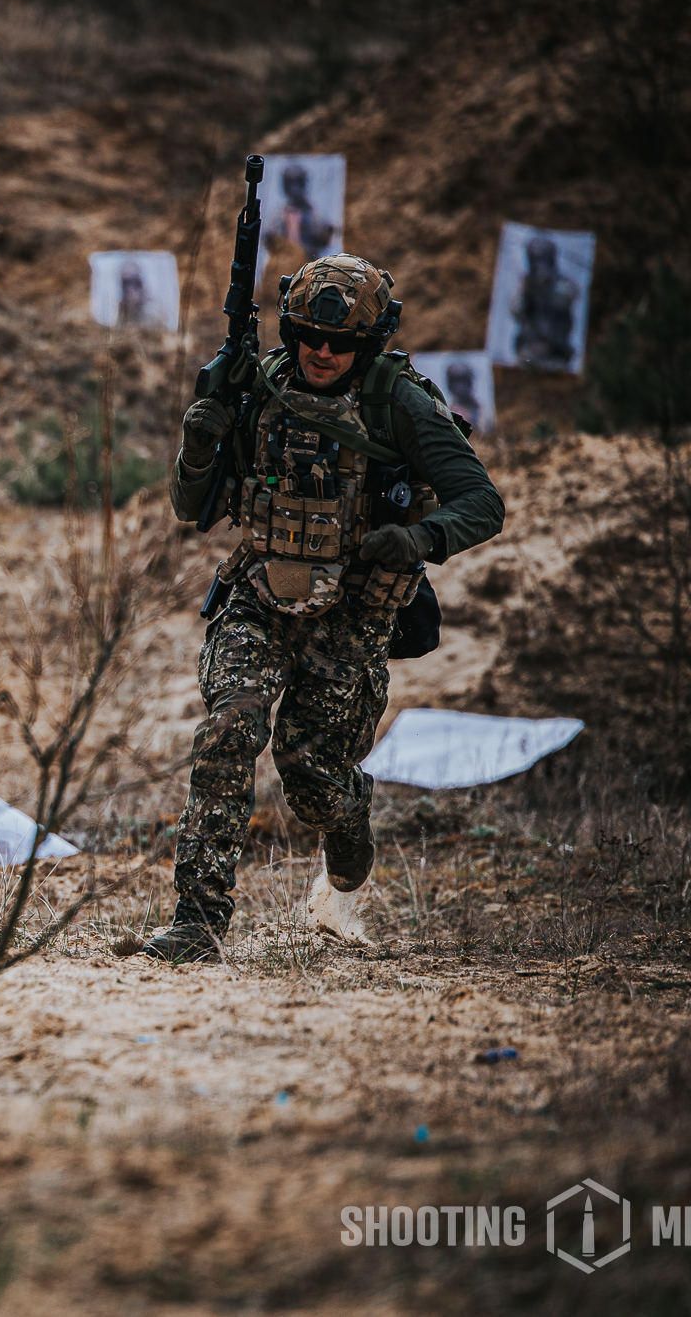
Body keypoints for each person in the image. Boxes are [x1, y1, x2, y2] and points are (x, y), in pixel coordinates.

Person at [150, 254, 503, 962]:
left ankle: (350, 819)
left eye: (340, 343)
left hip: (350, 611)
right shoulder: (263, 384)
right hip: (259, 593)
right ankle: (198, 916)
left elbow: (482, 503)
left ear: (365, 347)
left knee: (311, 779)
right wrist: (200, 441)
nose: (321, 351)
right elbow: (194, 508)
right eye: (309, 334)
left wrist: (419, 537)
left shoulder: (398, 402)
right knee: (230, 723)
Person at [510, 234, 580, 371]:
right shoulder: (525, 284)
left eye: (543, 259)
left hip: (555, 352)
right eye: (535, 259)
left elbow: (567, 299)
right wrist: (525, 291)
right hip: (528, 351)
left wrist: (545, 286)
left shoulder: (564, 284)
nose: (539, 264)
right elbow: (516, 311)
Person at [265, 164, 337, 263]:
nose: (294, 189)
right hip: (285, 266)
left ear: (304, 184)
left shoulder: (314, 214)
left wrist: (326, 233)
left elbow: (324, 240)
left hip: (309, 265)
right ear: (285, 186)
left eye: (298, 183)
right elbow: (269, 240)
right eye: (291, 184)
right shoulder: (278, 215)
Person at [117, 258, 151, 328]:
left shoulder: (152, 312)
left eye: (135, 284)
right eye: (126, 283)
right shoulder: (120, 310)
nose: (130, 289)